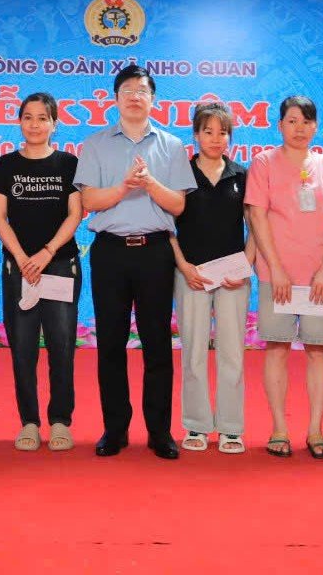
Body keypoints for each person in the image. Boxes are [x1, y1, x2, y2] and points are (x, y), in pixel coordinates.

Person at [75, 65, 196, 460]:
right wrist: (124, 187)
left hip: (155, 252)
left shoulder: (172, 145)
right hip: (109, 251)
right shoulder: (94, 145)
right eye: (126, 90)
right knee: (110, 343)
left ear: (153, 98)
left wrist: (150, 185)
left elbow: (178, 205)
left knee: (157, 344)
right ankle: (115, 429)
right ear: (115, 98)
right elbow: (89, 202)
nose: (134, 96)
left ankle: (159, 431)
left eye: (141, 90)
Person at [245, 96, 323, 460]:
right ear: (280, 125)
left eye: (306, 121)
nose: (299, 128)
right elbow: (256, 217)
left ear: (316, 126)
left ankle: (316, 430)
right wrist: (274, 267)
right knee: (277, 347)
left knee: (319, 350)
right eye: (292, 121)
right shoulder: (264, 163)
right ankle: (279, 428)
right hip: (278, 276)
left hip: (318, 278)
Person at [0, 92, 82, 452]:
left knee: (61, 347)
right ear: (19, 123)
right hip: (19, 269)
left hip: (60, 265)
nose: (35, 124)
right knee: (23, 349)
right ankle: (28, 421)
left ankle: (60, 420)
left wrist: (45, 253)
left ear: (54, 124)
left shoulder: (68, 164)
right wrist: (22, 257)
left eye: (42, 118)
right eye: (28, 117)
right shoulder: (6, 165)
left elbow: (76, 214)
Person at [171, 102, 253, 455]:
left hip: (233, 277)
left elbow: (257, 227)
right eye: (208, 131)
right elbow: (166, 226)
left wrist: (244, 266)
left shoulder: (242, 175)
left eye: (223, 132)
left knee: (232, 352)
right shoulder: (181, 173)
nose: (216, 138)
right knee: (193, 352)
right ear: (195, 134)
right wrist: (184, 266)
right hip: (191, 274)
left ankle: (232, 427)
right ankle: (197, 425)